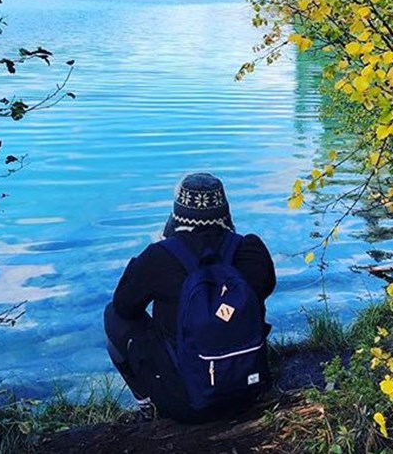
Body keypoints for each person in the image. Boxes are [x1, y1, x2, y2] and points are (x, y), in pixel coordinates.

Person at [104, 172, 276, 423]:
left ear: (176, 213)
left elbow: (124, 306)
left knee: (113, 316)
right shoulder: (251, 249)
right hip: (251, 392)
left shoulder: (160, 256)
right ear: (225, 211)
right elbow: (266, 289)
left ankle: (147, 404)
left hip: (187, 405)